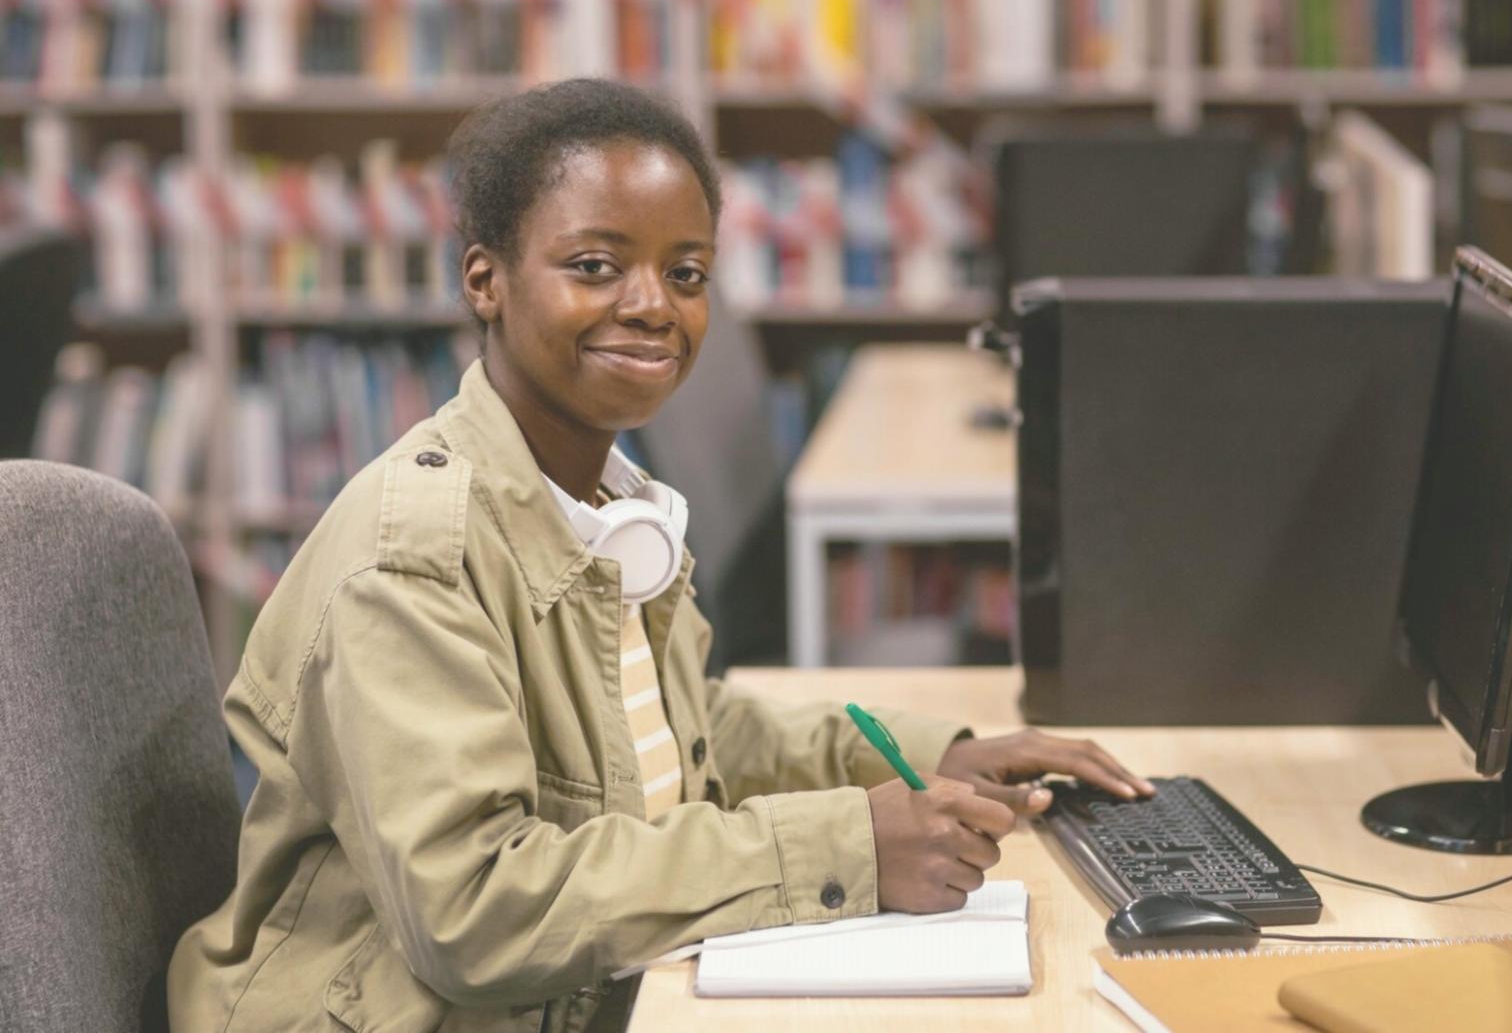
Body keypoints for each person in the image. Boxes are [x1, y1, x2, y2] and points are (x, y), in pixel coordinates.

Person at [167, 78, 1153, 1032]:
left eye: (685, 274)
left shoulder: (605, 503)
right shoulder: (412, 557)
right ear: (486, 280)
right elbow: (473, 907)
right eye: (594, 265)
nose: (652, 304)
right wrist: (847, 841)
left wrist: (943, 752)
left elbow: (681, 735)